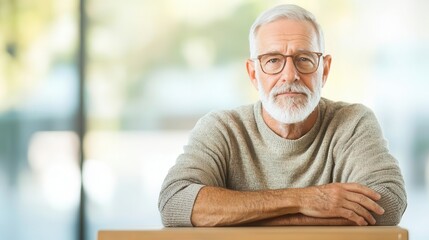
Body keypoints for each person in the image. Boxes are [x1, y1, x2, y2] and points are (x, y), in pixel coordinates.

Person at [158, 4, 407, 227]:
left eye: (304, 59)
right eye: (273, 60)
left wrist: (247, 215)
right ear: (254, 73)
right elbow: (175, 202)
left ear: (325, 69)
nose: (290, 75)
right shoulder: (222, 128)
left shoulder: (353, 122)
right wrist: (307, 200)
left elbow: (388, 205)